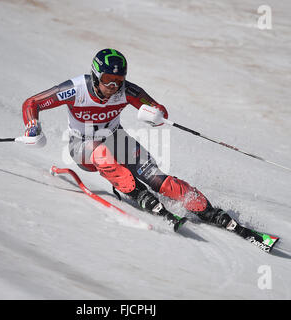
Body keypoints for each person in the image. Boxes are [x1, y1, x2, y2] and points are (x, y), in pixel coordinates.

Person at [21, 48, 235, 230]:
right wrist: (32, 127)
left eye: (118, 81)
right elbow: (32, 103)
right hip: (81, 146)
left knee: (157, 178)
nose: (113, 87)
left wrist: (156, 114)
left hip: (116, 138)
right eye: (107, 80)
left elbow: (158, 109)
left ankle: (208, 210)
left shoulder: (127, 91)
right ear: (95, 76)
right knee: (101, 153)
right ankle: (137, 193)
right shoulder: (75, 89)